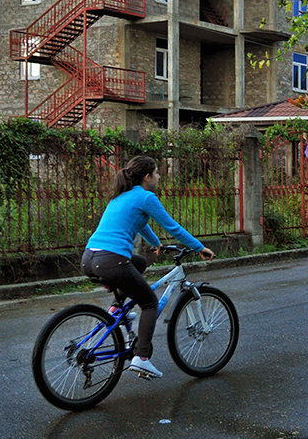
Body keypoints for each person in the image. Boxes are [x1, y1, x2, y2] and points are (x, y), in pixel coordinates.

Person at [82, 155, 215, 379]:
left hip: (89, 259)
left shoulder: (120, 196)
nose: (159, 176)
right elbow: (173, 227)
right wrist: (199, 247)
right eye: (157, 172)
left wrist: (157, 245)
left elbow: (140, 224)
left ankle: (116, 309)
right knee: (150, 302)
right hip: (112, 261)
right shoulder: (146, 197)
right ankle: (142, 358)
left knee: (139, 262)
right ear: (147, 177)